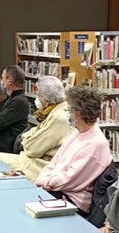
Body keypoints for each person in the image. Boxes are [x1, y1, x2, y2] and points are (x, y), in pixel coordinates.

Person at [34, 85, 111, 216]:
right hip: (57, 190)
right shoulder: (77, 133)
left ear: (78, 115)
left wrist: (44, 182)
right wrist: (42, 179)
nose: (67, 114)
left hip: (72, 200)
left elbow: (69, 180)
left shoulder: (96, 143)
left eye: (69, 111)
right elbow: (54, 163)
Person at [0, 76, 72, 180]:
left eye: (38, 95)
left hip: (41, 165)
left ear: (47, 99)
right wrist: (28, 138)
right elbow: (33, 133)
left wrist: (26, 140)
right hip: (38, 159)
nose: (37, 99)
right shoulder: (55, 111)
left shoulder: (58, 118)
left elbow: (31, 149)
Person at [0, 65, 30, 153]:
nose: (1, 81)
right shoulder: (9, 99)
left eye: (2, 78)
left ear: (9, 81)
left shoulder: (19, 102)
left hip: (0, 150)